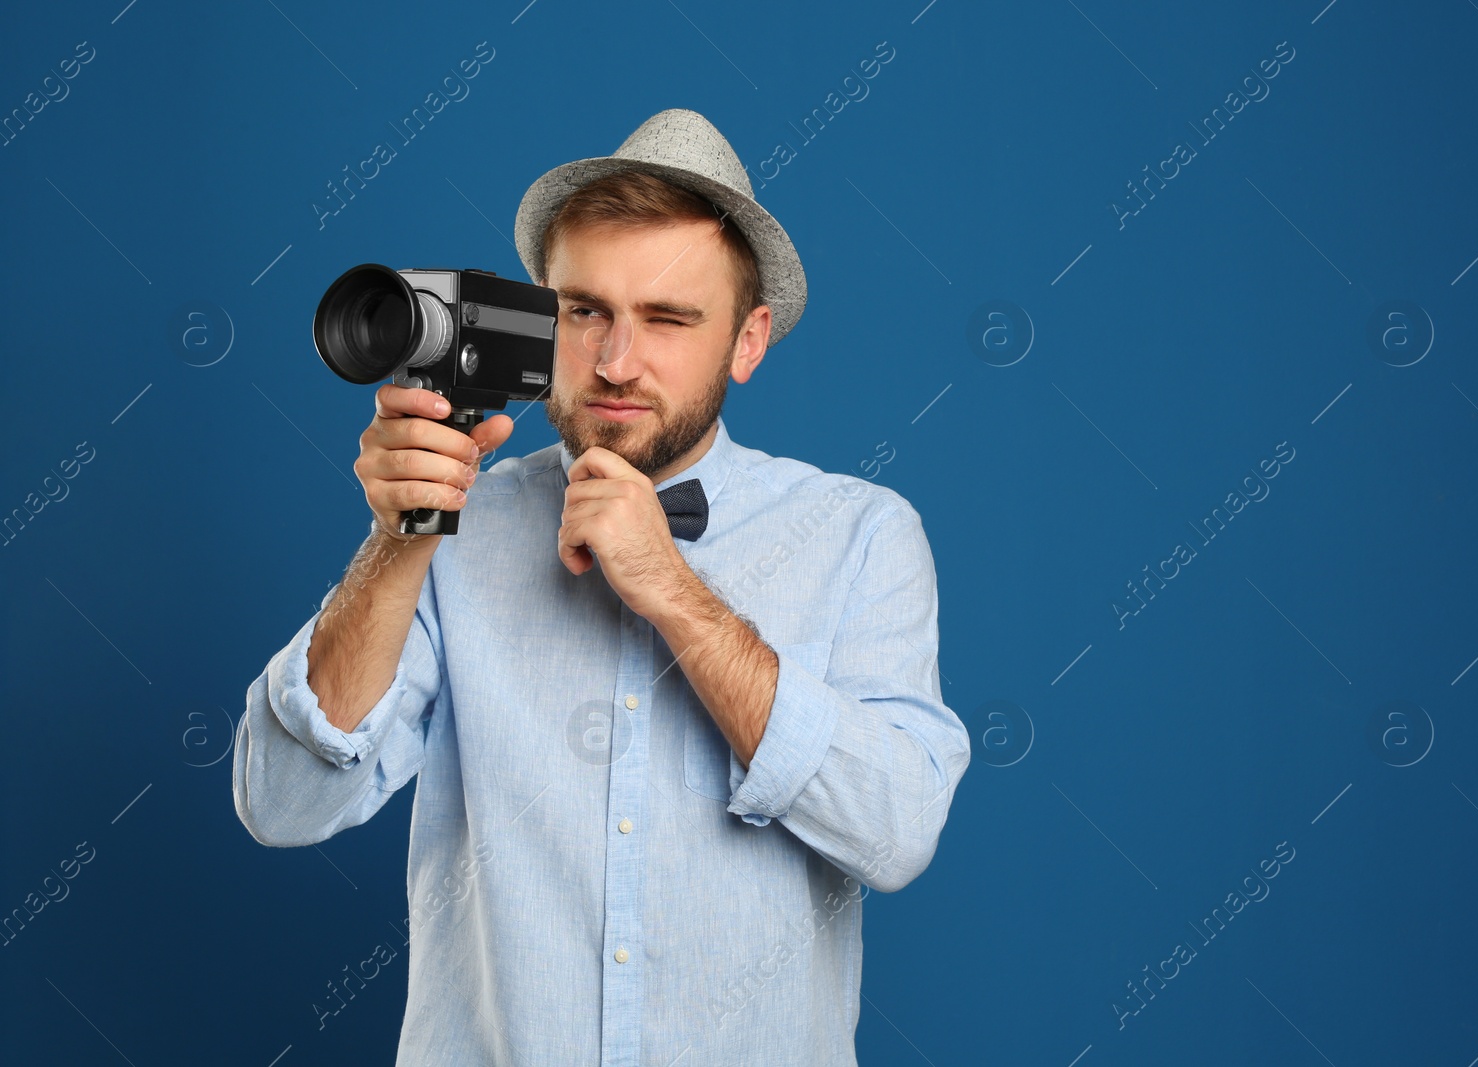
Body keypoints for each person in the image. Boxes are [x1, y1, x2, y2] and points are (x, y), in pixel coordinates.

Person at [234, 107, 969, 1066]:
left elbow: (897, 831)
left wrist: (672, 587)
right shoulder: (462, 525)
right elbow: (282, 803)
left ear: (747, 344)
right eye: (585, 311)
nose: (616, 363)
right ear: (539, 319)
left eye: (668, 319)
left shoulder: (863, 536)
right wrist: (403, 532)